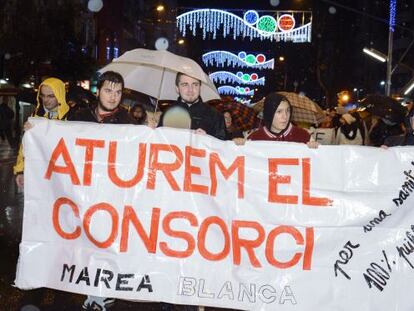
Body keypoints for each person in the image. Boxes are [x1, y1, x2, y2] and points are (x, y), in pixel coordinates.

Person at [68, 71, 135, 311]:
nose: (113, 96)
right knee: (84, 242)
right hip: (82, 191)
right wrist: (37, 128)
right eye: (108, 90)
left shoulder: (128, 122)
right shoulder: (79, 116)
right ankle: (90, 289)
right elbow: (58, 139)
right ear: (98, 91)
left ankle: (102, 293)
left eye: (118, 92)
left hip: (111, 194)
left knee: (106, 242)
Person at [13, 77, 70, 188]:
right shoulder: (36, 117)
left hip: (63, 176)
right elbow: (25, 147)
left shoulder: (73, 117)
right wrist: (20, 170)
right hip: (39, 175)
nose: (46, 100)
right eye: (43, 95)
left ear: (60, 95)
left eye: (51, 96)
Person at [159, 72, 226, 140]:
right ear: (177, 88)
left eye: (195, 85)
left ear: (200, 87)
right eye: (185, 85)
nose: (190, 90)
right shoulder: (167, 114)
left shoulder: (215, 116)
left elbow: (223, 146)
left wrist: (207, 140)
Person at [247, 92, 319, 148]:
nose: (285, 116)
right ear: (269, 114)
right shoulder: (254, 138)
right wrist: (238, 146)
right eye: (279, 111)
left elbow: (319, 161)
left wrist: (315, 150)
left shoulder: (304, 136)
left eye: (287, 111)